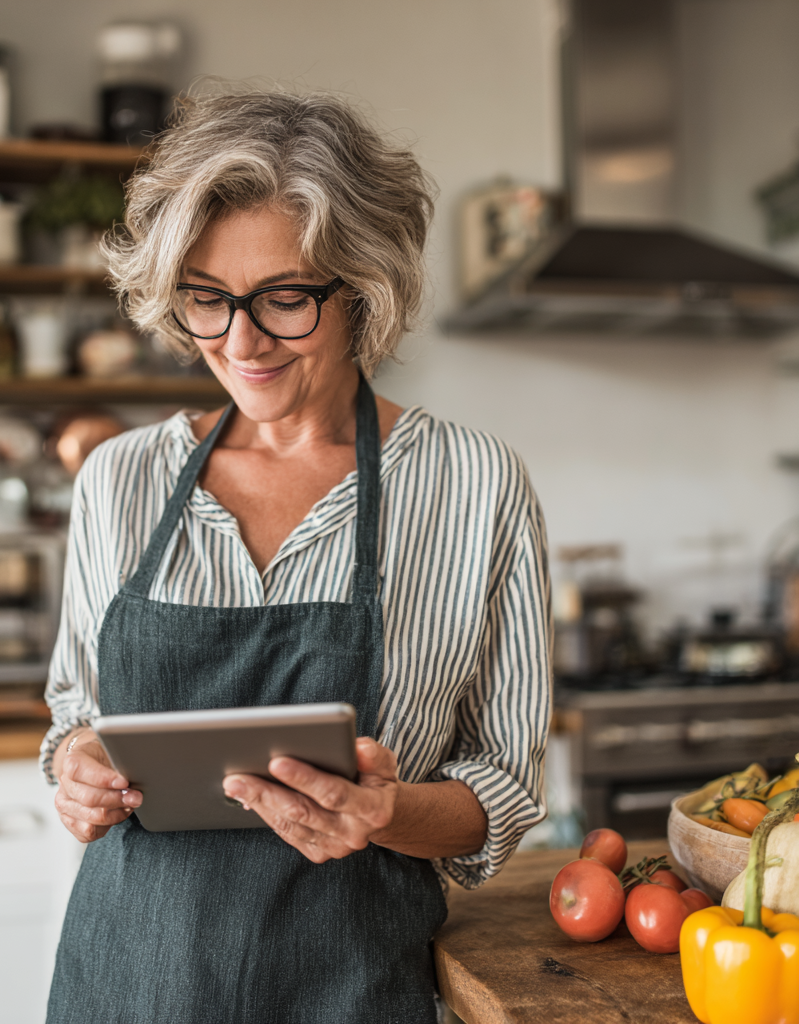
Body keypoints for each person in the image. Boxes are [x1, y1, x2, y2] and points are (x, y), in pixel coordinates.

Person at [41, 89, 552, 1024]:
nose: (240, 342)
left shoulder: (474, 484)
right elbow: (74, 719)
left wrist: (386, 814)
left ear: (363, 288)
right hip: (131, 987)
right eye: (207, 299)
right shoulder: (120, 480)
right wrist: (74, 765)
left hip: (356, 989)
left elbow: (506, 783)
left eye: (283, 298)